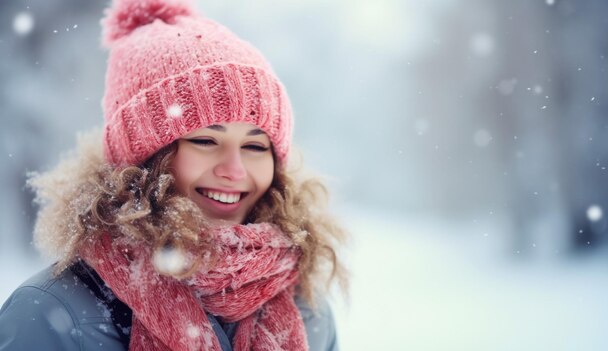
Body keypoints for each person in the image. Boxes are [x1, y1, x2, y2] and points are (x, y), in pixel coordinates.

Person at [0, 0, 348, 350]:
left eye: (255, 147)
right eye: (205, 140)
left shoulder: (308, 313)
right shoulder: (55, 315)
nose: (234, 170)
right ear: (145, 158)